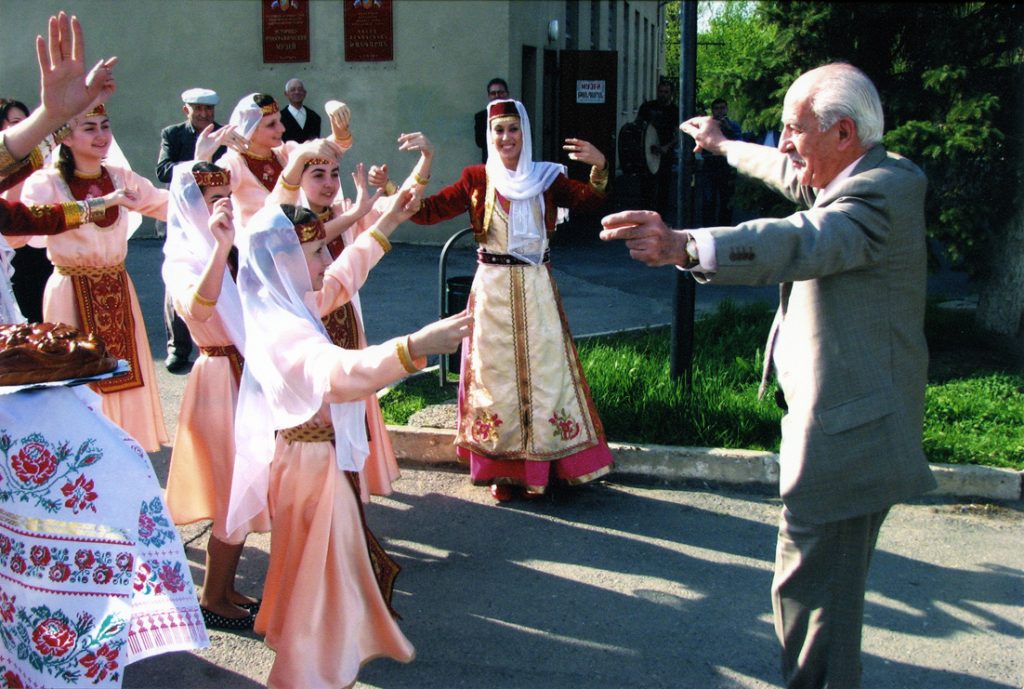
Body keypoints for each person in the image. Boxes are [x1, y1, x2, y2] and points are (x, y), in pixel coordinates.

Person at [600, 63, 937, 689]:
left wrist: (685, 246)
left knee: (814, 606)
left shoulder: (877, 196)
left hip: (849, 438)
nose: (783, 144)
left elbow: (800, 240)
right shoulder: (851, 172)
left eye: (793, 129)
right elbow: (788, 173)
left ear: (842, 133)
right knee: (817, 598)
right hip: (850, 425)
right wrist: (726, 146)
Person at [227, 200, 471, 689]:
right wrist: (415, 346)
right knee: (323, 574)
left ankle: (318, 655)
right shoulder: (284, 328)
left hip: (309, 460)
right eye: (316, 252)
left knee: (316, 569)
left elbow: (346, 269)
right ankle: (307, 672)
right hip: (314, 467)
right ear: (285, 262)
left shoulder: (285, 301)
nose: (324, 261)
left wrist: (389, 221)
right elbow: (337, 376)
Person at [408, 99, 614, 501]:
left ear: (526, 133)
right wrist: (418, 169)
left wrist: (601, 165)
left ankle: (550, 464)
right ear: (490, 135)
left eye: (513, 129)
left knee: (547, 373)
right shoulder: (476, 178)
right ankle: (503, 471)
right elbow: (427, 212)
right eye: (499, 130)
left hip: (537, 288)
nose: (506, 138)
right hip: (492, 292)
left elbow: (590, 200)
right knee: (495, 377)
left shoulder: (547, 178)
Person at [267, 133, 433, 499]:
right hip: (309, 343)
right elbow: (276, 211)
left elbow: (394, 210)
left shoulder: (346, 210)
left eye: (333, 174)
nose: (328, 183)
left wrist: (425, 162)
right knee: (320, 426)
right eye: (317, 175)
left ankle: (349, 498)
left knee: (351, 412)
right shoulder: (283, 230)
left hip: (345, 328)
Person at [20, 103, 171, 452]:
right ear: (66, 136)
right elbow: (25, 229)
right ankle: (75, 451)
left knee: (119, 370)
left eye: (105, 125)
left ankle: (121, 447)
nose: (102, 135)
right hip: (69, 288)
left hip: (115, 285)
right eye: (90, 128)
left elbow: (165, 203)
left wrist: (206, 178)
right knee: (74, 373)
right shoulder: (48, 182)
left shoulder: (120, 176)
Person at [161, 160, 271, 631]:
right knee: (232, 487)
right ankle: (211, 596)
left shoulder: (232, 245)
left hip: (246, 372)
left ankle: (223, 588)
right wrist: (221, 243)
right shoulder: (184, 255)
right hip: (218, 376)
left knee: (246, 483)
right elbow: (197, 305)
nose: (223, 204)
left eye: (226, 194)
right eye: (212, 199)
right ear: (190, 206)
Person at [156, 87, 225, 372]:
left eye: (208, 110)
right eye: (198, 109)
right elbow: (163, 170)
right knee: (181, 279)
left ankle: (221, 341)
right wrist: (197, 164)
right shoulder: (173, 134)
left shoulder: (224, 134)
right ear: (187, 110)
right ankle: (178, 347)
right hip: (184, 216)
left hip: (217, 211)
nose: (204, 114)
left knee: (221, 276)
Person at [214, 92, 349, 227]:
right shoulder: (233, 163)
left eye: (280, 121)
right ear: (251, 129)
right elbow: (201, 196)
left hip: (295, 239)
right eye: (271, 124)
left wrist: (338, 121)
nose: (282, 128)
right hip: (258, 242)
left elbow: (327, 150)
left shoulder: (285, 153)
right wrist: (207, 148)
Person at [2, 98, 55, 322]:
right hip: (15, 252)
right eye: (13, 123)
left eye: (24, 122)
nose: (19, 130)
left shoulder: (44, 156)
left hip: (45, 248)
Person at [635, 80, 678, 216]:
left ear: (671, 94)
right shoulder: (648, 107)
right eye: (661, 91)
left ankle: (660, 220)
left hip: (665, 153)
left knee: (663, 188)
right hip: (647, 152)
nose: (663, 95)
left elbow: (679, 134)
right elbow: (638, 125)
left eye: (666, 92)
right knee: (646, 187)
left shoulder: (674, 111)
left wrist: (666, 147)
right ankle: (645, 218)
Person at [700, 97, 742, 226]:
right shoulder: (707, 126)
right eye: (717, 109)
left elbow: (739, 142)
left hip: (726, 165)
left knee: (726, 200)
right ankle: (708, 227)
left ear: (727, 109)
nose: (720, 112)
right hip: (710, 164)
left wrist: (728, 129)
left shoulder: (733, 125)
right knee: (708, 199)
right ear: (712, 111)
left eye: (722, 108)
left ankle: (725, 227)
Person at [473, 77, 509, 163]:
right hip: (491, 162)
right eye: (493, 93)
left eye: (500, 92)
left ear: (507, 94)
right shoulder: (481, 116)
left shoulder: (518, 114)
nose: (497, 96)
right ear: (489, 96)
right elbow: (480, 142)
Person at [280, 78, 322, 143]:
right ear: (286, 94)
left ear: (305, 93)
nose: (297, 92)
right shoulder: (279, 118)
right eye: (293, 90)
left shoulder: (314, 117)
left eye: (300, 89)